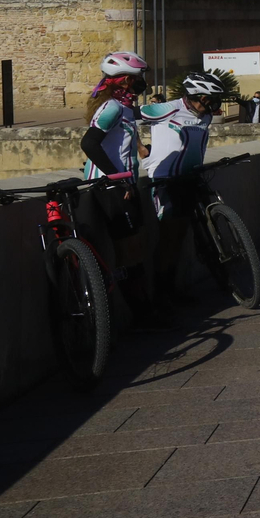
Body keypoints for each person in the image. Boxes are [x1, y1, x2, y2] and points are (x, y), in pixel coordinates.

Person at [78, 52, 157, 324]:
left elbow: (119, 141)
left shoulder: (121, 107)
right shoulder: (111, 106)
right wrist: (117, 178)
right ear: (123, 81)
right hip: (109, 187)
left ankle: (143, 309)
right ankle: (142, 315)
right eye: (137, 80)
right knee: (128, 252)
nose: (142, 85)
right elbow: (89, 144)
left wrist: (141, 148)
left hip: (123, 185)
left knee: (134, 248)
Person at [141, 72, 225, 309]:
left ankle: (173, 288)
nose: (210, 105)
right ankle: (160, 295)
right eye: (207, 99)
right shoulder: (167, 108)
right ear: (194, 95)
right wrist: (141, 149)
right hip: (165, 179)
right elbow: (126, 120)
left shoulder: (205, 116)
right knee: (168, 238)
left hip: (191, 176)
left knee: (179, 237)